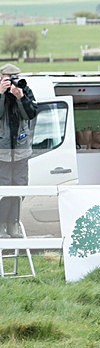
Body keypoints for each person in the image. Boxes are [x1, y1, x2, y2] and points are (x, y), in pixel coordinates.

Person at [0, 63, 39, 238]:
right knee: (3, 189)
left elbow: (30, 114)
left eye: (16, 77)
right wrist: (1, 94)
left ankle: (13, 223)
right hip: (2, 153)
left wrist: (20, 97)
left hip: (21, 152)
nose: (13, 81)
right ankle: (1, 224)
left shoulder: (25, 91)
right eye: (10, 78)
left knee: (19, 188)